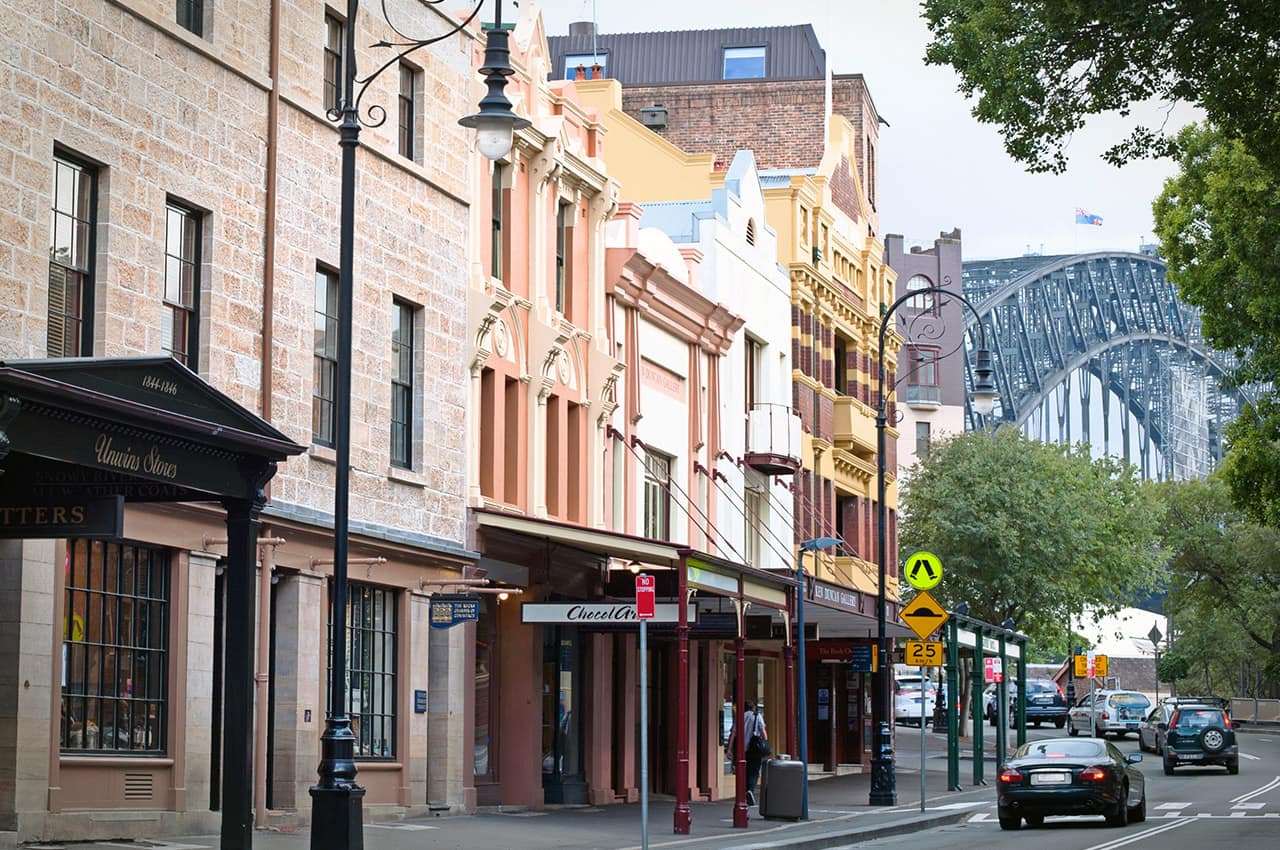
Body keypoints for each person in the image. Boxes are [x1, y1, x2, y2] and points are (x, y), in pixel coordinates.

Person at [728, 701, 769, 805]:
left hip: (742, 749)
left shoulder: (739, 717)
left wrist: (729, 749)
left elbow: (733, 734)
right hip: (754, 748)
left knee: (744, 771)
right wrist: (764, 743)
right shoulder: (757, 716)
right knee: (754, 771)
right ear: (753, 708)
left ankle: (745, 792)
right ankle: (750, 790)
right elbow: (763, 732)